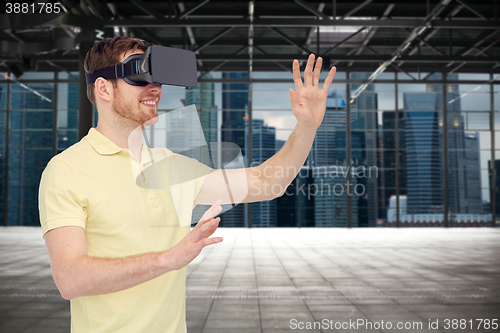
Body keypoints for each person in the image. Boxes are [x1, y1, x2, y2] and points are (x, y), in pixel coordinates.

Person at [39, 36, 336, 333]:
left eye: (156, 78)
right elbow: (70, 279)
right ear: (104, 88)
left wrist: (306, 127)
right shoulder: (67, 169)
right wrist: (168, 259)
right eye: (138, 75)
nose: (154, 88)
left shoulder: (171, 167)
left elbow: (268, 183)